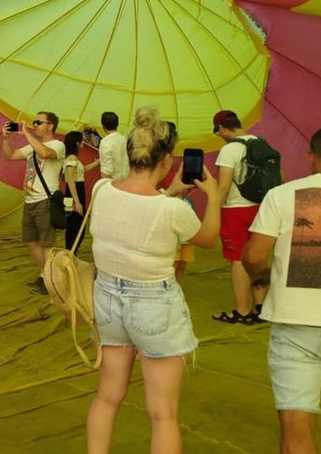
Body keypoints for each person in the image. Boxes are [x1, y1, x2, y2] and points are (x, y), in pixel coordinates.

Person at [86, 106, 220, 454]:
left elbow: (135, 211)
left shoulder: (101, 189)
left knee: (106, 397)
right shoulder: (172, 210)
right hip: (154, 305)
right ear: (166, 160)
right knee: (163, 414)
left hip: (106, 300)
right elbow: (208, 239)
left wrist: (169, 191)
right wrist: (215, 197)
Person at [242, 125, 321, 454]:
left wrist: (264, 276)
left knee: (296, 427)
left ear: (312, 157)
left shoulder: (282, 195)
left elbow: (253, 257)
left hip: (296, 324)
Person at [211, 110, 268, 325]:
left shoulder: (229, 150)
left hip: (235, 209)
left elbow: (224, 186)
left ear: (222, 128)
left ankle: (242, 311)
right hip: (261, 208)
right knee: (257, 256)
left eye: (217, 131)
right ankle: (259, 307)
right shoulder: (261, 144)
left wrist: (213, 209)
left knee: (238, 259)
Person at [1, 112, 66, 295]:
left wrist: (26, 134)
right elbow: (10, 155)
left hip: (45, 200)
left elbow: (45, 153)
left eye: (39, 122)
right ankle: (46, 276)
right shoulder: (32, 146)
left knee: (47, 244)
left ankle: (51, 281)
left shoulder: (58, 145)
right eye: (34, 122)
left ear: (50, 126)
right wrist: (6, 138)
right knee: (30, 240)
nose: (34, 125)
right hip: (30, 200)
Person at [63, 131, 100, 251]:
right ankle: (71, 252)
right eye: (82, 140)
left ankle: (71, 252)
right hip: (75, 192)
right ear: (77, 143)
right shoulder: (72, 158)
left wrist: (97, 162)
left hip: (73, 192)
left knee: (74, 225)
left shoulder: (71, 158)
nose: (84, 142)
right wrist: (77, 201)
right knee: (77, 227)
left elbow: (83, 169)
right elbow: (70, 180)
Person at [98, 111, 128, 181]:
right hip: (128, 182)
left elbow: (106, 172)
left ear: (103, 126)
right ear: (117, 124)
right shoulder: (125, 139)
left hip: (114, 183)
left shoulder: (105, 143)